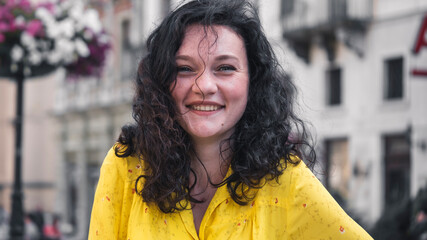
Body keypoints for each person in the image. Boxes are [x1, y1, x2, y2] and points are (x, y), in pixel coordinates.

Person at [89, 0, 373, 239]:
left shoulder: (286, 180)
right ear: (161, 81)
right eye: (185, 69)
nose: (205, 86)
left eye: (225, 68)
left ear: (253, 82)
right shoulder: (125, 167)